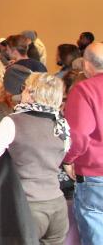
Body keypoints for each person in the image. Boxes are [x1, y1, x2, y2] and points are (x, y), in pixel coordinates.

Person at [0, 73, 69, 245]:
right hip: (58, 204)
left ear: (31, 92)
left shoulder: (12, 122)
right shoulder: (62, 124)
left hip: (27, 206)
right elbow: (63, 154)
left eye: (25, 88)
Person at [63, 41, 103, 244]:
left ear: (86, 64)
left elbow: (78, 135)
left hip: (95, 176)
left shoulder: (84, 90)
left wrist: (68, 159)